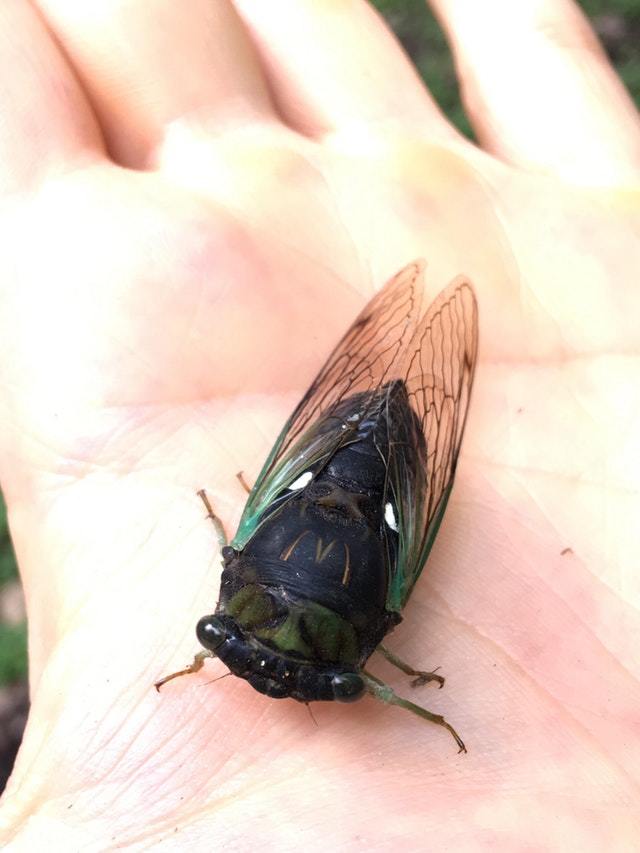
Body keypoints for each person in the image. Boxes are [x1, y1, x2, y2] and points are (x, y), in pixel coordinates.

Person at [0, 0, 638, 848]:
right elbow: (373, 660)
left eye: (221, 638)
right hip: (374, 483)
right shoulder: (304, 615)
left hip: (336, 477)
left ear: (229, 597)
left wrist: (278, 644)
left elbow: (346, 633)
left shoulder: (340, 617)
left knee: (292, 495)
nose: (273, 667)